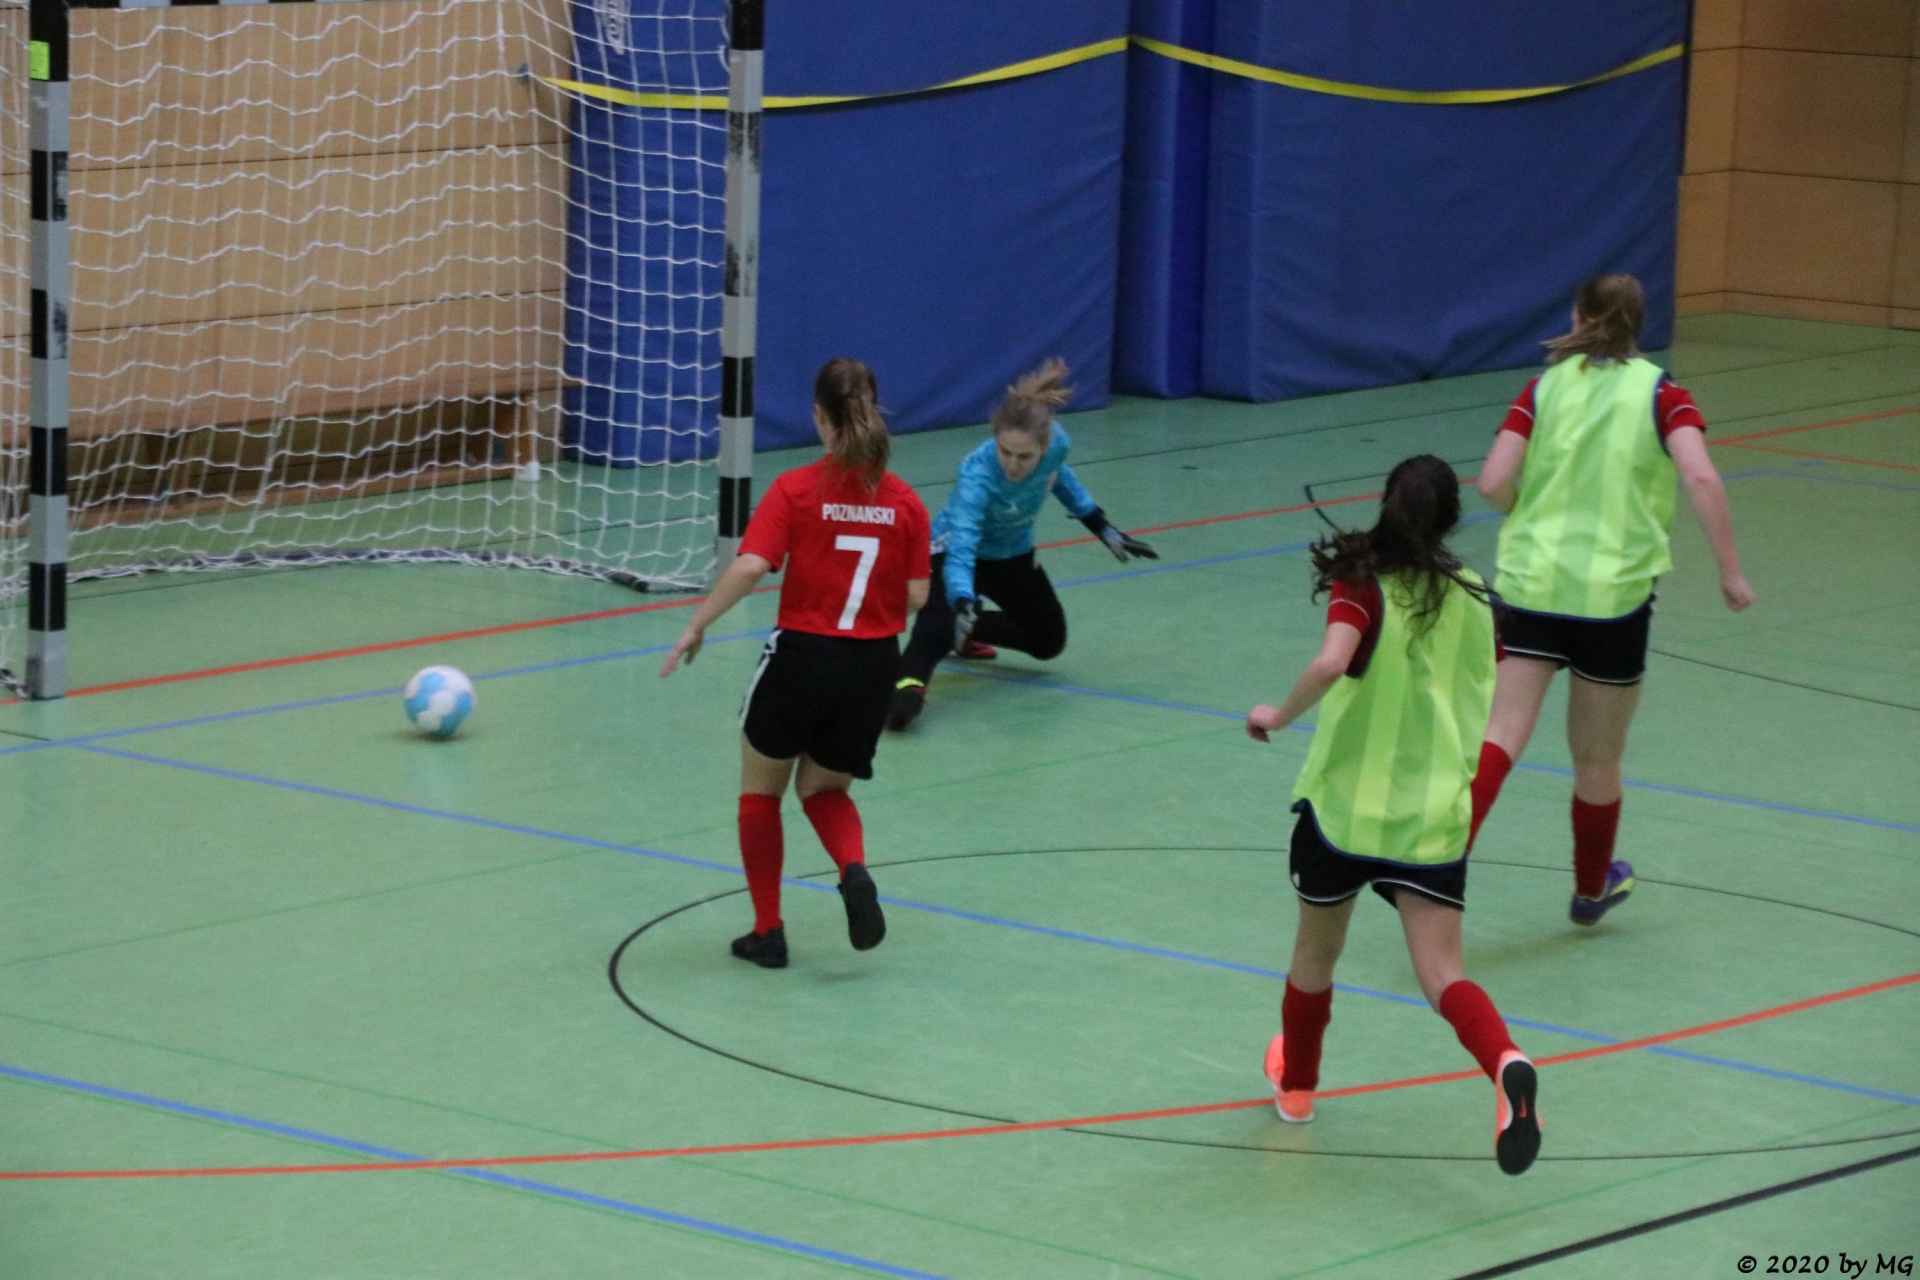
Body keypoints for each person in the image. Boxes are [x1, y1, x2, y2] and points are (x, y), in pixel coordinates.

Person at [1247, 455, 1541, 1176]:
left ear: (1385, 503)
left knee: (1315, 957)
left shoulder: (1362, 583)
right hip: (1431, 820)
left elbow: (1330, 663)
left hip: (1345, 815)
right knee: (1443, 974)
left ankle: (1297, 1091)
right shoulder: (1479, 599)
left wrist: (1277, 716)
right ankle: (1506, 1060)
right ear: (1450, 521)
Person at [1469, 274, 1754, 926]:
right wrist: (1730, 572)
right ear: (1638, 323)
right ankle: (1591, 888)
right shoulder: (1662, 395)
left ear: (1579, 316)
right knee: (1597, 759)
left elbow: (1491, 482)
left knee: (1499, 736)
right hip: (1613, 602)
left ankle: (1437, 862)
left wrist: (1524, 509)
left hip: (1531, 587)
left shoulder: (1543, 388)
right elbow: (1700, 475)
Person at [661, 358, 930, 969]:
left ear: (817, 417)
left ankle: (768, 931)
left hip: (802, 656)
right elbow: (917, 596)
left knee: (761, 793)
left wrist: (698, 624)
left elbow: (752, 565)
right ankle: (854, 870)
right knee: (824, 789)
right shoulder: (906, 502)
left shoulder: (796, 488)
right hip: (872, 666)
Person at [889, 358, 1157, 730]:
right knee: (935, 628)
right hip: (955, 554)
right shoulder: (976, 475)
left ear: (1044, 447)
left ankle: (968, 629)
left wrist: (1101, 526)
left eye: (1024, 456)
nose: (1013, 465)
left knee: (1048, 641)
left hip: (1013, 553)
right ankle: (907, 689)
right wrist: (962, 596)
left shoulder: (1057, 446)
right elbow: (962, 544)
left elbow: (1060, 478)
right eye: (1005, 452)